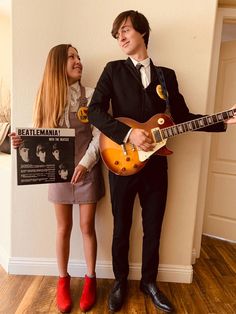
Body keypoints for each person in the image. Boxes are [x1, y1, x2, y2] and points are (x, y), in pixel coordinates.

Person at [88, 10, 236, 313]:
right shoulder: (112, 70)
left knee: (153, 227)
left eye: (126, 30)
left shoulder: (166, 77)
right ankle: (120, 282)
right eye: (117, 34)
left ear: (143, 32)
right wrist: (129, 134)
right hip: (122, 163)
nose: (121, 37)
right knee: (121, 226)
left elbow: (182, 118)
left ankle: (149, 282)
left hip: (157, 166)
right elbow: (95, 112)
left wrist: (223, 119)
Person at [10, 44, 104, 313]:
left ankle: (90, 280)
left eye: (79, 56)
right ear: (58, 65)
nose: (79, 61)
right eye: (72, 57)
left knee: (87, 228)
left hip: (88, 168)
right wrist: (20, 142)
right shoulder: (45, 97)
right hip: (58, 172)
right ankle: (62, 281)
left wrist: (86, 164)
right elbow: (38, 135)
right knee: (62, 228)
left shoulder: (92, 95)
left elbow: (99, 135)